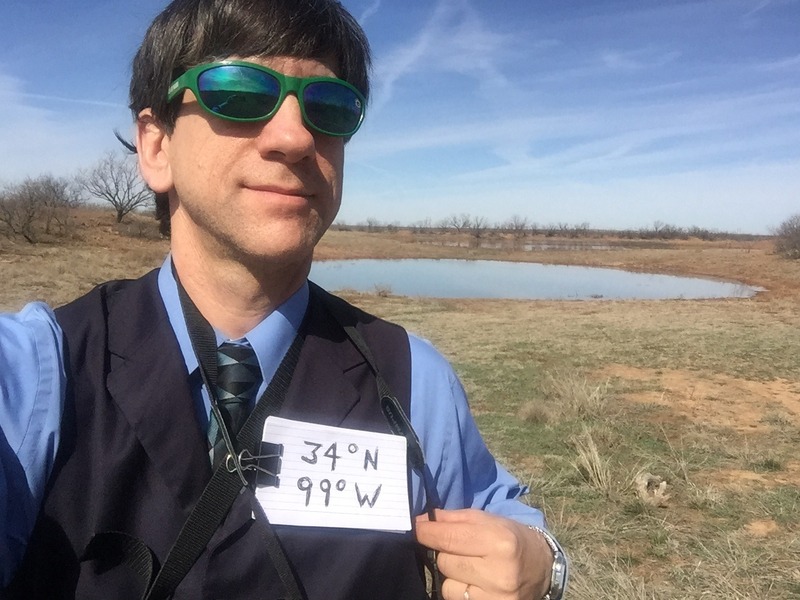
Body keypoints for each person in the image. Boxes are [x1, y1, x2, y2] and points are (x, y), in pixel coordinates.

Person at [0, 0, 568, 599]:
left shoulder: (412, 381)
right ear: (156, 147)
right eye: (240, 93)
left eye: (329, 108)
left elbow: (499, 516)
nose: (296, 137)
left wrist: (543, 562)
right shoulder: (41, 376)